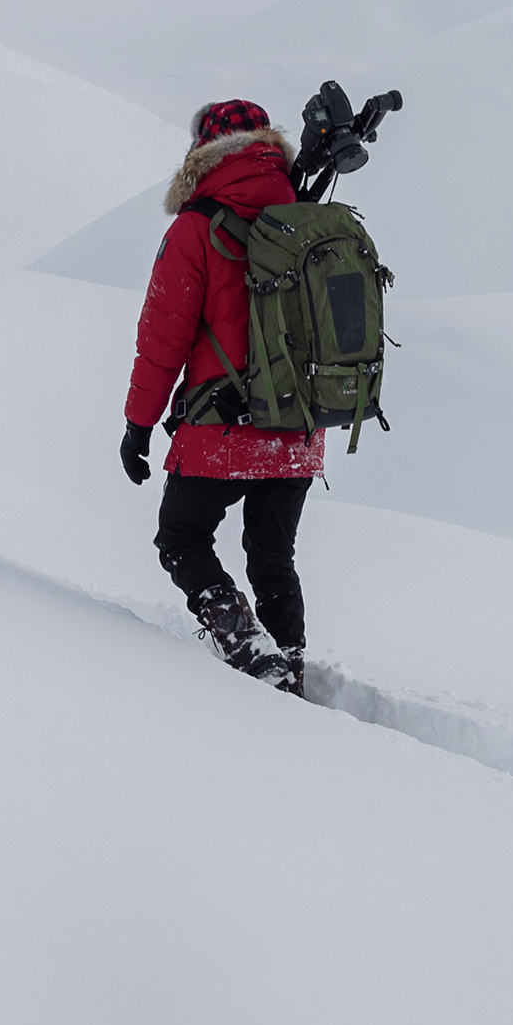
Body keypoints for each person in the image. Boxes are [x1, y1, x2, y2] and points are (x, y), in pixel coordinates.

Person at [120, 100, 325, 696]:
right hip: (297, 426)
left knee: (181, 540)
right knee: (272, 557)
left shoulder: (194, 228)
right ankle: (289, 671)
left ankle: (251, 652)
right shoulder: (306, 213)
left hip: (222, 428)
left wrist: (139, 424)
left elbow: (163, 338)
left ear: (201, 153)